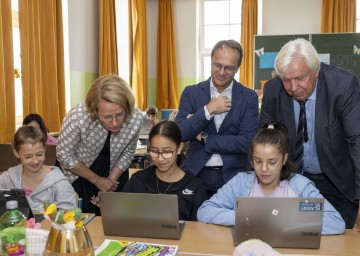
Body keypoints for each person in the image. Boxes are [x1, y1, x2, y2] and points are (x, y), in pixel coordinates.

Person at [259, 38, 360, 230]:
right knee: (292, 237)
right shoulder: (273, 90)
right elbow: (263, 141)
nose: (293, 87)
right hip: (292, 181)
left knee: (338, 239)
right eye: (286, 80)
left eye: (300, 78)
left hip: (337, 182)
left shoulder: (344, 86)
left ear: (316, 71)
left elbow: (357, 141)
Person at [197, 122, 345, 235]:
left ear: (284, 159)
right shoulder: (241, 182)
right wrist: (246, 217)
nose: (264, 169)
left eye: (272, 162)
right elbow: (204, 211)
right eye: (258, 161)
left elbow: (336, 222)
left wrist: (284, 221)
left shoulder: (300, 186)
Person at [175, 39, 259, 198]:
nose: (221, 72)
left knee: (230, 223)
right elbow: (180, 133)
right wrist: (208, 110)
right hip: (195, 174)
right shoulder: (191, 93)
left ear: (238, 68)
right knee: (193, 222)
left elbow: (247, 142)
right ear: (211, 62)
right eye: (217, 65)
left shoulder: (249, 97)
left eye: (228, 68)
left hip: (234, 176)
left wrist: (205, 138)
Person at [56, 74, 143, 215]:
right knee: (81, 219)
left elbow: (127, 153)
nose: (114, 123)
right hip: (80, 173)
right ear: (95, 111)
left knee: (115, 218)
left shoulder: (136, 117)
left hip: (115, 173)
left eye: (120, 115)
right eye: (107, 117)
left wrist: (109, 184)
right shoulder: (78, 116)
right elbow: (64, 155)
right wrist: (97, 180)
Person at [122, 121, 207, 221]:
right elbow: (122, 218)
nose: (160, 159)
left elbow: (198, 230)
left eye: (167, 152)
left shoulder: (194, 187)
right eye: (154, 151)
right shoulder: (138, 180)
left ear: (179, 148)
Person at [0, 126, 76, 212]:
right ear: (16, 153)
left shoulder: (60, 183)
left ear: (45, 149)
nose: (35, 161)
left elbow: (69, 215)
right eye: (28, 157)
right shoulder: (9, 177)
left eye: (39, 154)